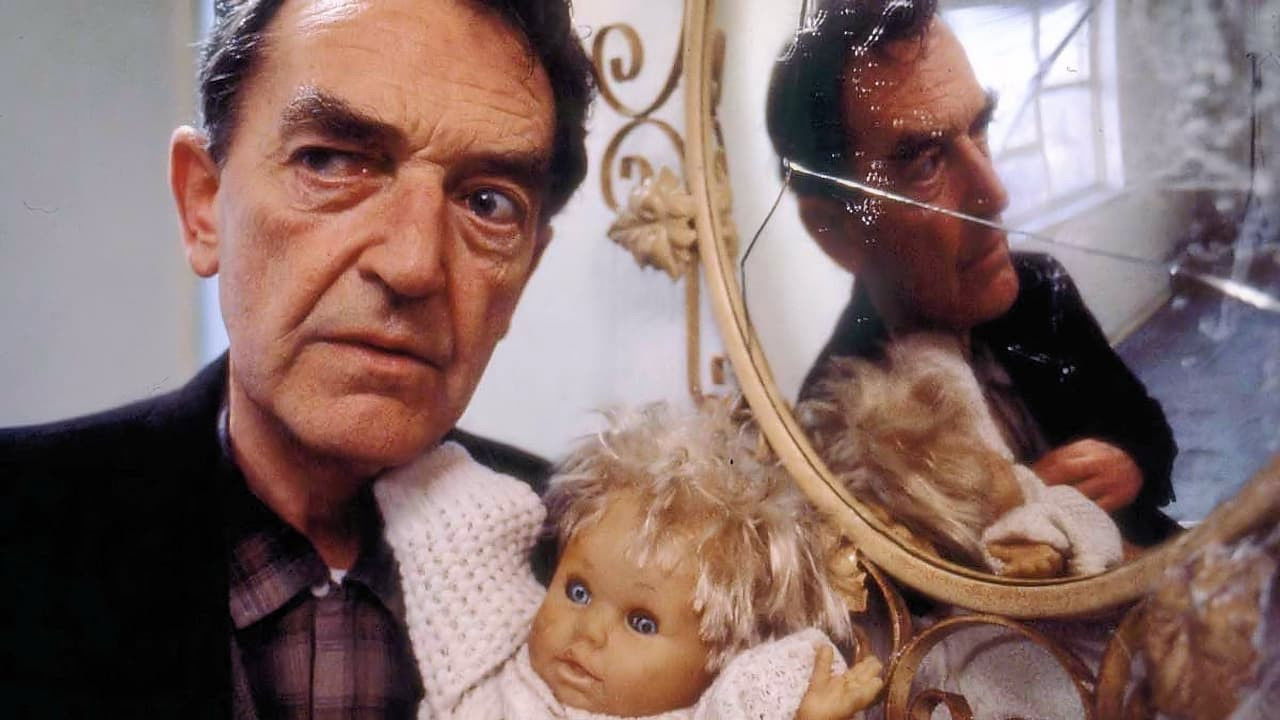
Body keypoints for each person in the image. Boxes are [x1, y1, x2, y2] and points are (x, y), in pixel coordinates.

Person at [0, 0, 593, 716]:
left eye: (489, 204)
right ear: (203, 205)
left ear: (524, 274)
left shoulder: (607, 565)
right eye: (331, 161)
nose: (413, 264)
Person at [765, 0, 1180, 547]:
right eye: (925, 164)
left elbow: (1147, 427)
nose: (995, 194)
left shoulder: (1041, 292)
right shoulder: (837, 420)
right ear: (837, 231)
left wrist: (1131, 463)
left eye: (980, 128)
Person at [373, 399, 885, 719]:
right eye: (577, 591)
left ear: (720, 659)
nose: (589, 631)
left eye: (642, 622)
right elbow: (451, 523)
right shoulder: (494, 671)